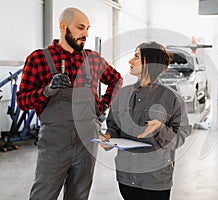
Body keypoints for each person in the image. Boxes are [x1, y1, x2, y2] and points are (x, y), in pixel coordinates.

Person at [16, 7, 122, 200]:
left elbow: (116, 80)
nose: (86, 34)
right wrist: (47, 90)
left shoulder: (92, 59)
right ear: (63, 26)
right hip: (55, 143)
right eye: (80, 27)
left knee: (79, 196)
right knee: (43, 195)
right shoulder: (38, 59)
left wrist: (101, 107)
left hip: (87, 142)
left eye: (88, 28)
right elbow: (22, 101)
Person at [100, 41, 191, 200]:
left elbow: (181, 136)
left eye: (136, 56)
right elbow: (113, 126)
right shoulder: (122, 94)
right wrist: (108, 137)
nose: (130, 61)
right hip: (126, 176)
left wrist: (160, 130)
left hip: (154, 179)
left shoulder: (171, 98)